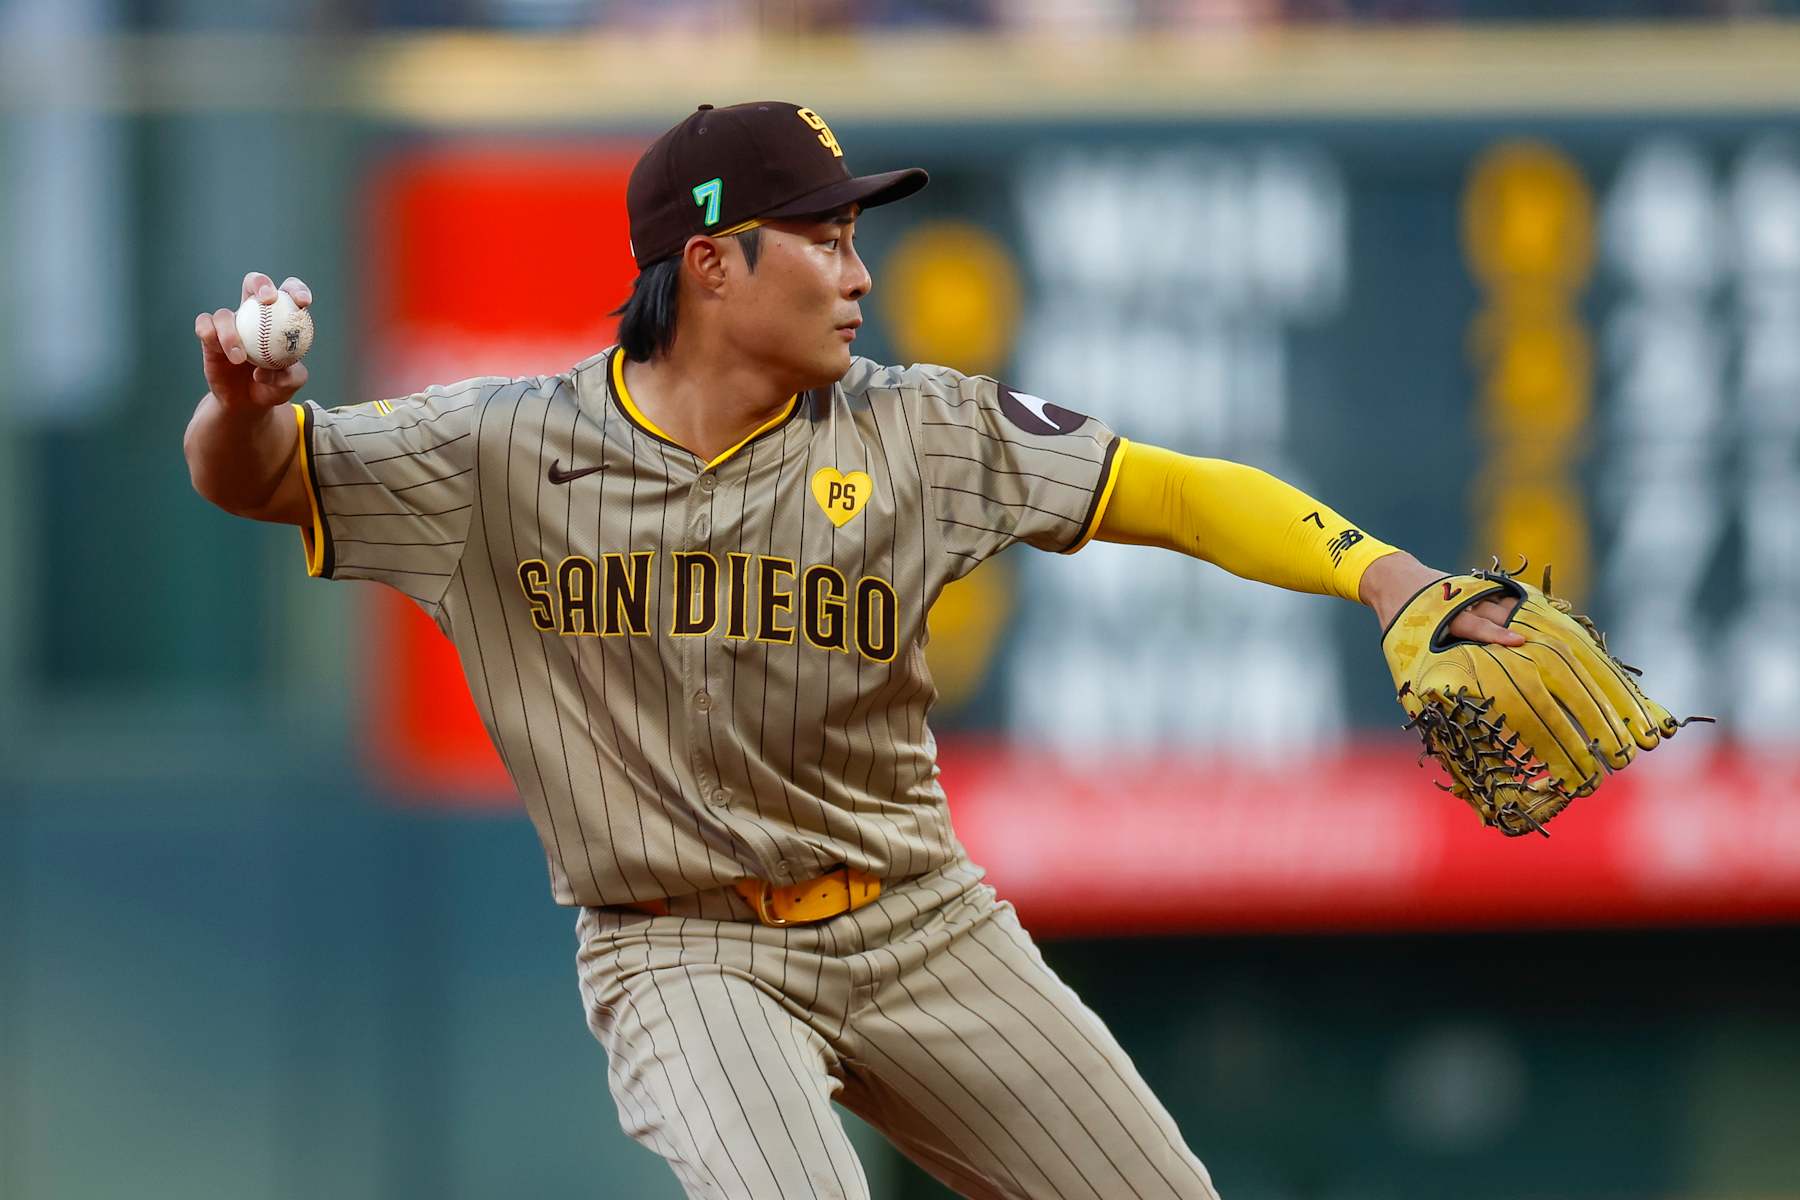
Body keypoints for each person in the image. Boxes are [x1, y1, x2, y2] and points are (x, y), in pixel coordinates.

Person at [186, 101, 1521, 1200]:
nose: (860, 270)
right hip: (681, 950)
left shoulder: (915, 429)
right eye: (822, 238)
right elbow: (260, 479)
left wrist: (1385, 575)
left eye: (854, 233)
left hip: (918, 920)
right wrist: (238, 408)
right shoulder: (496, 452)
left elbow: (1163, 489)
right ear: (710, 265)